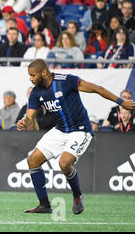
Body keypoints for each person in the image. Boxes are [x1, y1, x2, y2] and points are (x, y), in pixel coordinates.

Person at [16, 59, 134, 214]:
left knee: (64, 163)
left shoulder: (66, 81)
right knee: (32, 160)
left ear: (44, 72)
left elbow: (97, 88)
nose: (30, 78)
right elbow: (30, 116)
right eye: (29, 75)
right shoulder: (36, 91)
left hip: (80, 130)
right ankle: (44, 205)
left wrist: (121, 102)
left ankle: (77, 195)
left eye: (32, 75)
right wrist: (25, 122)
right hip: (60, 130)